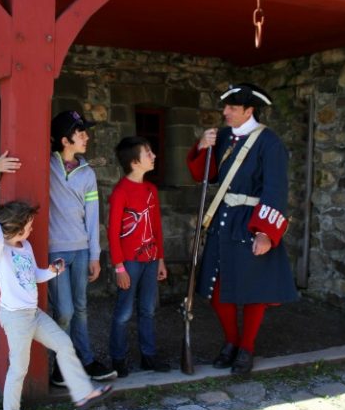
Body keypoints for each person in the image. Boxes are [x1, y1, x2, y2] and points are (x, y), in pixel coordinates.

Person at [0, 110, 117, 386]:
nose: (86, 137)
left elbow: (93, 218)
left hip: (81, 251)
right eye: (80, 132)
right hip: (56, 251)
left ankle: (86, 359)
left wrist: (95, 254)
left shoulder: (88, 173)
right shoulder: (44, 165)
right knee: (66, 311)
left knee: (81, 308)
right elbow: (4, 182)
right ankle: (62, 366)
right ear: (64, 140)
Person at [186, 83, 298, 375]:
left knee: (253, 291)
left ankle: (246, 347)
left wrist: (264, 232)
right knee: (216, 288)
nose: (225, 113)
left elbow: (276, 189)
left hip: (250, 222)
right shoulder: (222, 137)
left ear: (249, 110)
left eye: (232, 108)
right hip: (223, 218)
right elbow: (205, 176)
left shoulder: (269, 142)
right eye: (226, 107)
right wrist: (202, 147)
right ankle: (232, 342)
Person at [0, 199, 113, 410]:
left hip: (33, 314)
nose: (32, 228)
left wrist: (52, 271)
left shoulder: (27, 247)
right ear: (16, 226)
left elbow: (35, 276)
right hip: (15, 317)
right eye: (29, 224)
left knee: (64, 344)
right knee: (19, 368)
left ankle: (83, 394)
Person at [107, 136, 170, 378]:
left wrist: (161, 259)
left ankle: (148, 356)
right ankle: (118, 358)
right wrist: (119, 267)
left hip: (151, 260)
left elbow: (156, 227)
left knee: (148, 310)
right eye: (148, 153)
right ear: (134, 162)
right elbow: (113, 233)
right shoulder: (121, 191)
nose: (153, 156)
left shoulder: (151, 190)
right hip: (130, 262)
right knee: (123, 312)